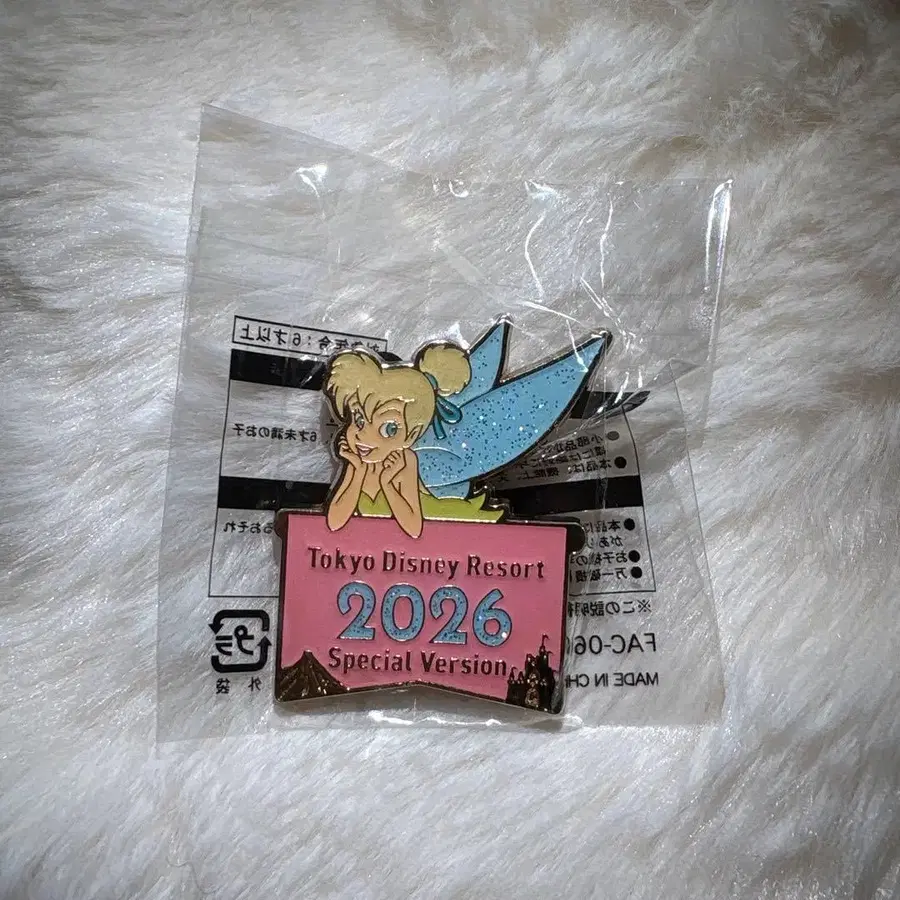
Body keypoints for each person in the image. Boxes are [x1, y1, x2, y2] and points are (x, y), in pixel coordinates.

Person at [324, 344, 504, 538]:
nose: (364, 436)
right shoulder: (358, 461)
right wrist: (358, 471)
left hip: (436, 527)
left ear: (411, 435)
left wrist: (387, 483)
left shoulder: (404, 461)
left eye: (388, 429)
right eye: (359, 420)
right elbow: (334, 522)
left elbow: (414, 528)